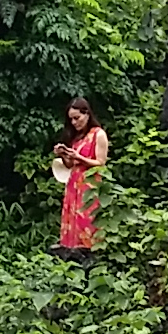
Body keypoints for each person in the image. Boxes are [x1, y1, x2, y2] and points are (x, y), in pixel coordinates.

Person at [51, 96, 107, 255]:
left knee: (87, 220)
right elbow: (71, 164)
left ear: (87, 114)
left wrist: (78, 157)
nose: (75, 123)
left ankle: (90, 253)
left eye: (77, 118)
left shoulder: (98, 134)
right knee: (73, 219)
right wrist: (63, 155)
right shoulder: (78, 137)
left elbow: (100, 162)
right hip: (74, 184)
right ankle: (70, 252)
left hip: (89, 184)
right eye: (72, 120)